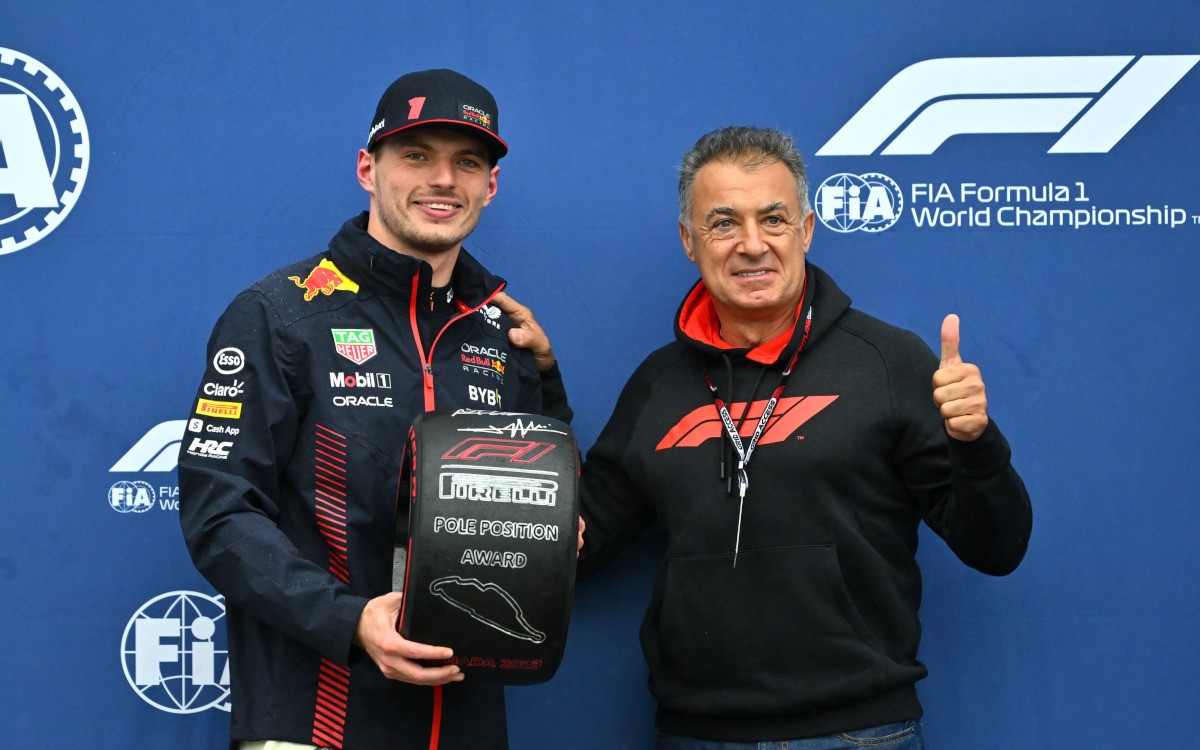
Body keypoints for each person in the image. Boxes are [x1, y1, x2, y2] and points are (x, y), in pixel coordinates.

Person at [574, 126, 1033, 748]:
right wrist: (541, 390)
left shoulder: (887, 362)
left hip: (859, 732)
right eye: (723, 223)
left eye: (774, 219)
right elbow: (575, 541)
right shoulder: (657, 385)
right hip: (698, 733)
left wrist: (975, 442)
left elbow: (998, 548)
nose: (752, 244)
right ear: (689, 240)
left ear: (807, 230)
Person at [178, 68, 569, 750]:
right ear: (368, 168)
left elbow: (547, 493)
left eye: (467, 162)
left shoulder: (501, 336)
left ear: (491, 185)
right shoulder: (279, 315)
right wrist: (351, 621)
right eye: (416, 155)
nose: (443, 180)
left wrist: (560, 516)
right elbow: (220, 514)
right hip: (317, 720)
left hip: (465, 723)